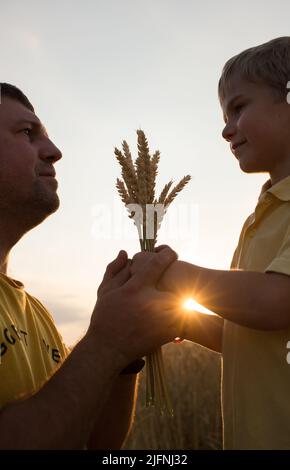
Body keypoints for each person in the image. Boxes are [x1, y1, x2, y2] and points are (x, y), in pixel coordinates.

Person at [0, 83, 183, 449]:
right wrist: (106, 344)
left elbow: (97, 444)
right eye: (26, 132)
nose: (55, 152)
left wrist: (124, 354)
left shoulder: (36, 313)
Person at [132, 37, 290, 450]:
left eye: (239, 107)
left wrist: (168, 273)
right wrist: (181, 320)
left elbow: (277, 301)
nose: (225, 128)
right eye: (224, 114)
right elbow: (243, 333)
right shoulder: (260, 218)